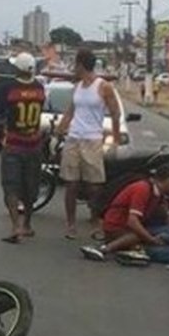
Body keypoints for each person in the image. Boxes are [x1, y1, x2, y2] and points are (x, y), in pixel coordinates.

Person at [57, 48, 122, 239]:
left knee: (94, 185)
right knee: (71, 184)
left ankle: (95, 221)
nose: (73, 69)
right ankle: (71, 224)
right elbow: (71, 111)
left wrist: (116, 139)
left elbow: (115, 113)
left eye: (75, 65)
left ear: (81, 65)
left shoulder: (104, 86)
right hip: (74, 138)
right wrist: (61, 128)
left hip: (93, 139)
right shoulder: (77, 87)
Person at [80, 164, 169, 264]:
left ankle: (125, 248)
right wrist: (150, 239)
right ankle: (104, 249)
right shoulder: (143, 188)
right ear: (168, 181)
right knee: (138, 236)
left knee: (148, 235)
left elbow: (168, 219)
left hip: (125, 225)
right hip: (116, 224)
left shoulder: (159, 195)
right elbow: (132, 221)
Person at [0, 53, 47, 244]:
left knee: (11, 186)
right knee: (31, 186)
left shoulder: (8, 88)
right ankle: (27, 225)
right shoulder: (40, 89)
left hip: (14, 144)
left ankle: (15, 226)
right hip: (34, 144)